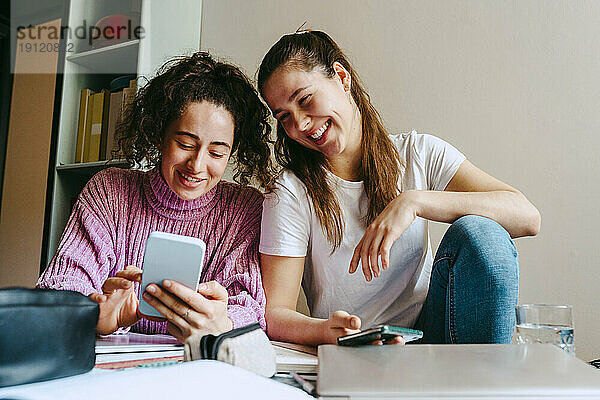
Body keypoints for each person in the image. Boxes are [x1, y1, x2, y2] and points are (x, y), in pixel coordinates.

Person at [256, 30, 541, 346]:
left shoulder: (418, 153)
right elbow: (276, 314)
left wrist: (415, 202)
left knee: (481, 234)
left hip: (433, 336)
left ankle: (486, 387)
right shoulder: (289, 192)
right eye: (284, 117)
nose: (300, 125)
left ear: (341, 77)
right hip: (357, 347)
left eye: (305, 100)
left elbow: (527, 216)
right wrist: (328, 332)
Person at [37, 52, 274, 342]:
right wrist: (94, 314)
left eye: (216, 152)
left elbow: (252, 308)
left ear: (232, 151)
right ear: (159, 135)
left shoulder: (244, 209)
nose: (197, 165)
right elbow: (60, 287)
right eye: (185, 143)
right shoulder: (110, 191)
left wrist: (223, 323)